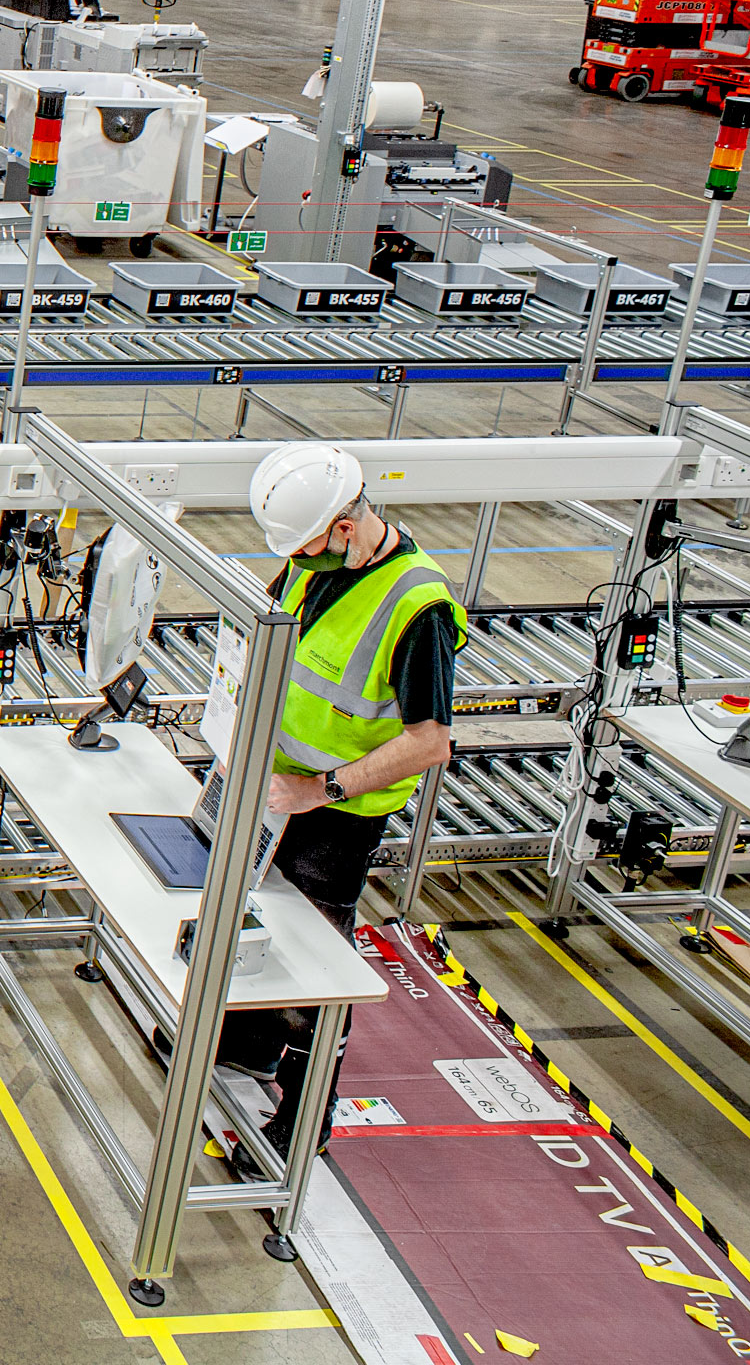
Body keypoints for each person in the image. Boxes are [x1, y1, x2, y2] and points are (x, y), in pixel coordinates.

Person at [226, 441, 465, 1157]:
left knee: (316, 963)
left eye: (308, 547)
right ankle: (246, 1046)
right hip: (274, 787)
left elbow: (430, 742)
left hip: (337, 813)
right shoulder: (311, 564)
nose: (299, 562)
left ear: (346, 526)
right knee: (256, 920)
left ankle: (305, 1119)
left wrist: (319, 789)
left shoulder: (418, 606)